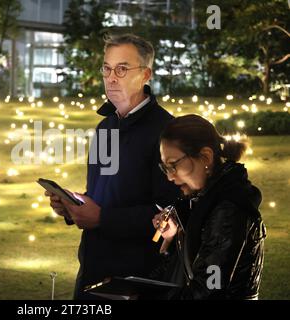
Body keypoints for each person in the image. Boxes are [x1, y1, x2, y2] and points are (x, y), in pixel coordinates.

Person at [45, 34, 179, 299]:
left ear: (145, 75)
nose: (111, 77)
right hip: (92, 267)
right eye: (106, 68)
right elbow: (101, 193)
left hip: (136, 277)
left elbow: (169, 211)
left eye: (122, 69)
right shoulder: (106, 127)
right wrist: (73, 207)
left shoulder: (166, 131)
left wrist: (102, 218)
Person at [153, 114, 266, 299]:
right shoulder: (203, 200)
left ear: (205, 157)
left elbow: (208, 289)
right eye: (165, 167)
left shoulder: (228, 209)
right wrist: (173, 237)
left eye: (173, 165)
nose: (169, 176)